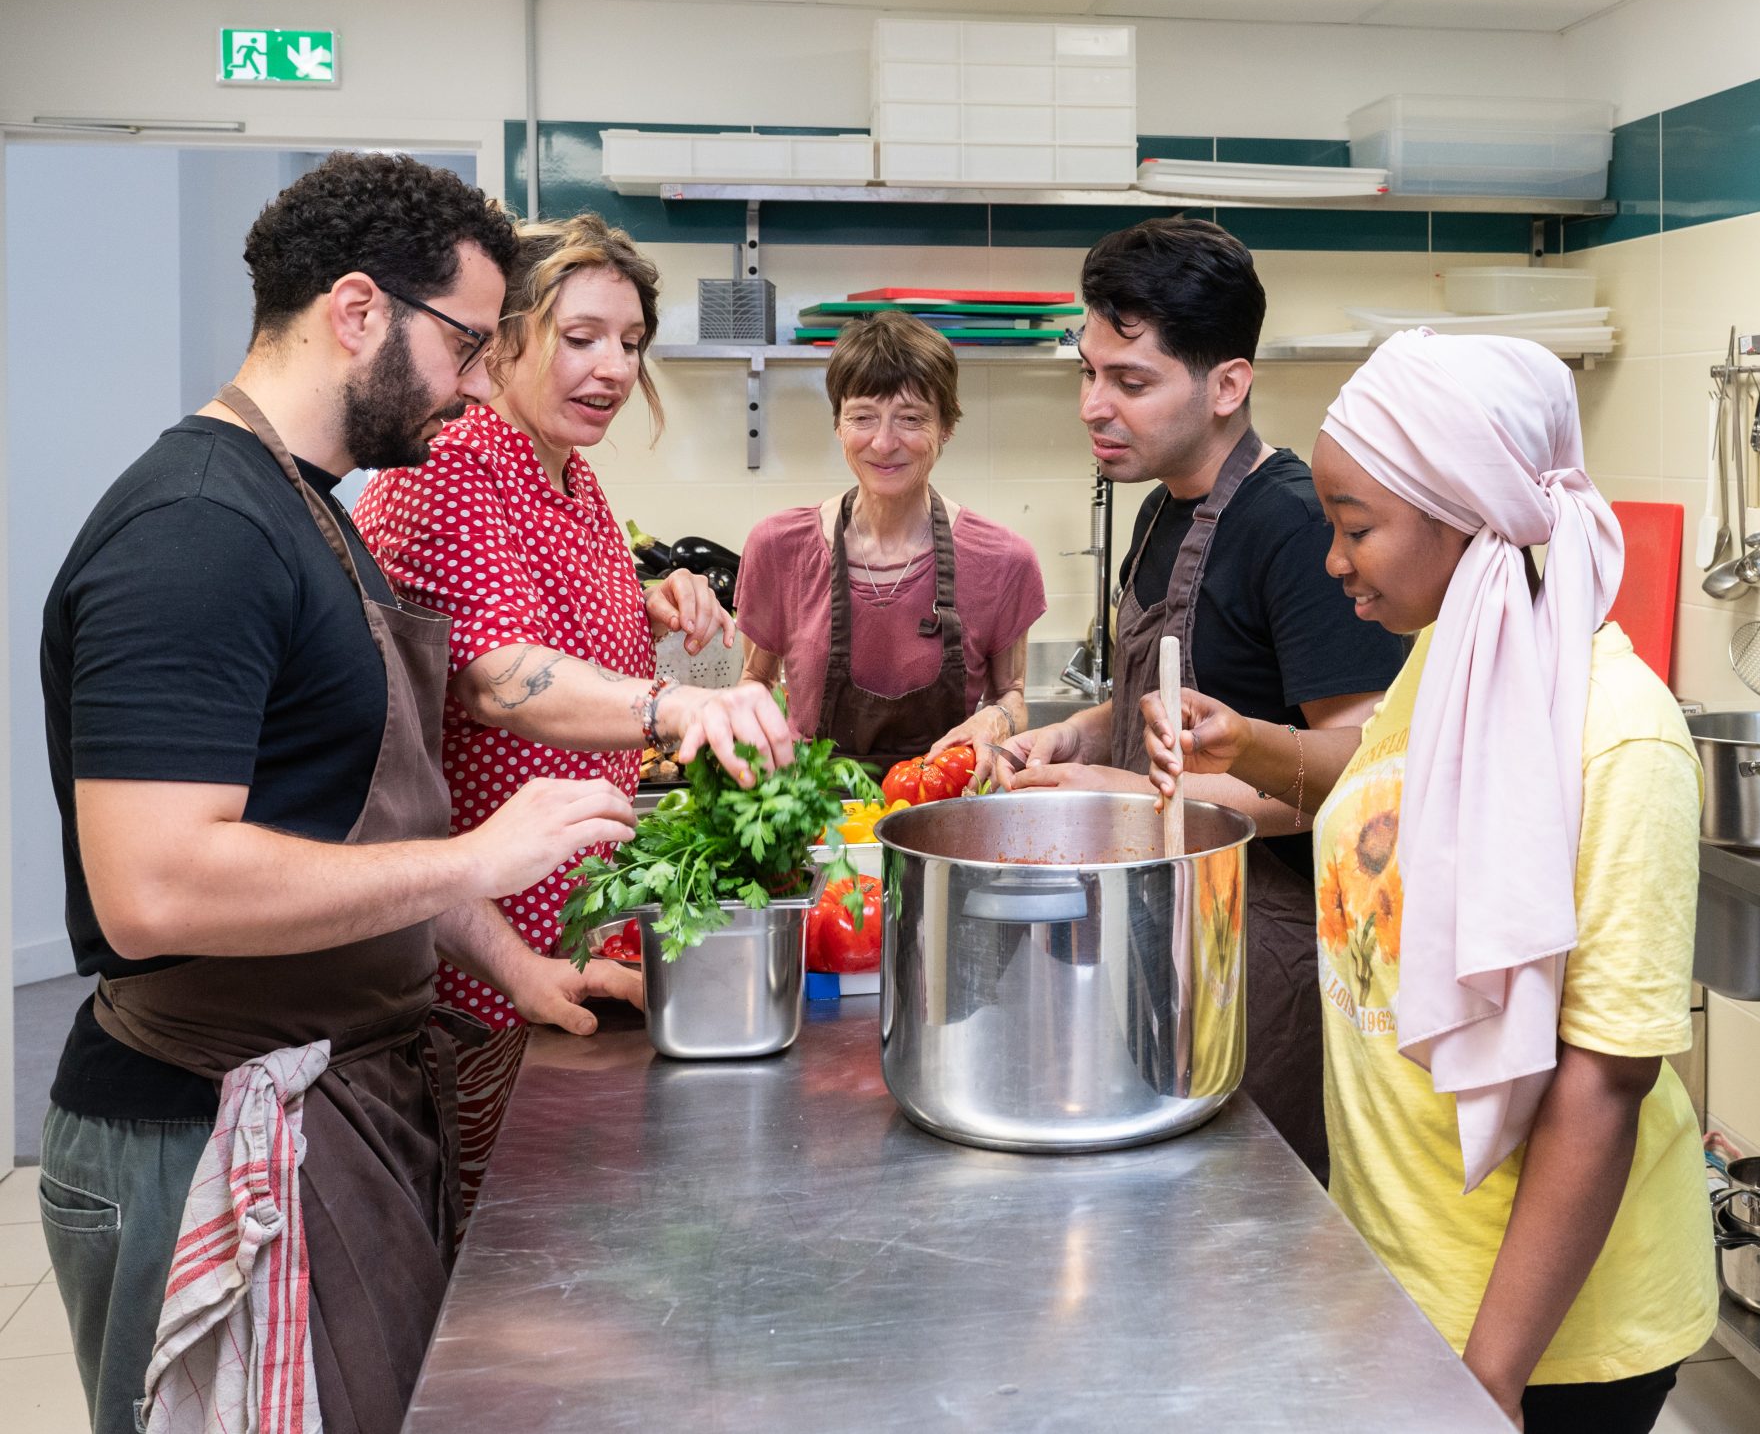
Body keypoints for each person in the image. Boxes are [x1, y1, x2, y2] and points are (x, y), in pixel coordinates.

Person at [38, 153, 641, 1434]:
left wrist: (517, 967)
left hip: (329, 1099)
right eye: (470, 345)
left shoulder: (311, 510)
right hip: (192, 1128)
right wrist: (482, 862)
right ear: (359, 312)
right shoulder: (197, 528)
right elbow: (154, 886)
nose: (482, 382)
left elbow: (361, 819)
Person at [1144, 330, 1715, 1432]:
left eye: (1357, 528)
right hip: (1397, 1276)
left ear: (1469, 513)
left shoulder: (1616, 735)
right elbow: (1379, 787)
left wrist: (1490, 1375)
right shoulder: (1456, 652)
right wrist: (1247, 741)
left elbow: (1604, 1084)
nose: (1332, 560)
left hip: (1547, 1340)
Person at [353, 212, 793, 1212]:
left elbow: (526, 606)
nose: (611, 369)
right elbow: (498, 676)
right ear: (502, 333)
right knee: (492, 1252)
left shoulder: (569, 473)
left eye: (631, 343)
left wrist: (647, 592)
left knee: (572, 1227)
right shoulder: (454, 465)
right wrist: (677, 702)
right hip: (476, 961)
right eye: (580, 335)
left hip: (566, 940)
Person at [1000, 217, 1407, 1182]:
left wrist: (1127, 800)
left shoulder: (1297, 524)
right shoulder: (1158, 504)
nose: (1096, 405)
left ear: (1228, 384)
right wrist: (1077, 735)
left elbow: (1361, 778)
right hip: (1165, 918)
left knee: (1250, 1216)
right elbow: (1161, 702)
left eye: (1130, 382)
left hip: (1265, 946)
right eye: (1089, 372)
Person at [734, 310, 1046, 766]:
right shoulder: (779, 548)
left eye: (910, 418)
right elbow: (754, 680)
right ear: (838, 425)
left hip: (942, 815)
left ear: (946, 428)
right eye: (863, 416)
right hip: (814, 818)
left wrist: (997, 720)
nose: (883, 442)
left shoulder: (1004, 561)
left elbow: (1012, 696)